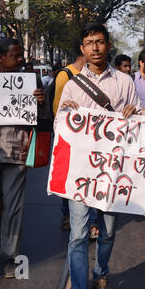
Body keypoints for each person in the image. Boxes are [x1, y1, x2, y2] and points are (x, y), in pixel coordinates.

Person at [56, 22, 140, 289]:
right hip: (80, 172)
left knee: (109, 231)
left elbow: (140, 125)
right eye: (90, 43)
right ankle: (80, 285)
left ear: (108, 45)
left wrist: (135, 114)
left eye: (100, 41)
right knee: (78, 234)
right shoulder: (73, 85)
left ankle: (101, 269)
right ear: (83, 48)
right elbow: (60, 128)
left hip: (113, 170)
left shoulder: (125, 82)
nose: (95, 47)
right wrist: (66, 114)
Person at [0, 38, 48, 278]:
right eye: (15, 56)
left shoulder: (29, 82)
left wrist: (39, 104)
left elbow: (40, 118)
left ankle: (11, 256)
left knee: (14, 206)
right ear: (0, 57)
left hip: (17, 151)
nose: (20, 60)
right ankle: (3, 227)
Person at [51, 43, 87, 231]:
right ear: (83, 51)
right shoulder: (65, 75)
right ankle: (67, 214)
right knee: (69, 177)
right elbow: (58, 105)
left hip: (90, 138)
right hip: (69, 136)